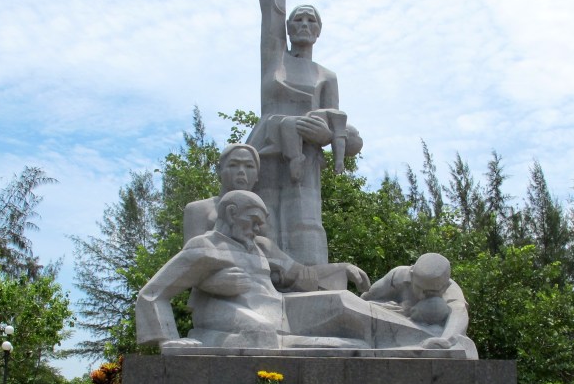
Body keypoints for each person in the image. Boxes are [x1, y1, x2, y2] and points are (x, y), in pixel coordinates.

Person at [136, 192, 454, 352]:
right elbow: (153, 293)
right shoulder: (204, 247)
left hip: (282, 308)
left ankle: (431, 340)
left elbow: (301, 275)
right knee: (261, 335)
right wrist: (169, 340)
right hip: (237, 316)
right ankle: (326, 345)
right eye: (254, 219)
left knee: (343, 300)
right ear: (231, 213)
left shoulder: (258, 248)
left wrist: (340, 269)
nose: (260, 228)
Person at [246, 0, 363, 266]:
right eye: (298, 20)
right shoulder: (274, 60)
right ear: (289, 27)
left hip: (305, 160)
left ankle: (310, 281)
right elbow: (271, 14)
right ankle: (264, 278)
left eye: (311, 21)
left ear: (319, 31)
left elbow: (334, 124)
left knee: (304, 221)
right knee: (264, 219)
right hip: (268, 149)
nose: (304, 25)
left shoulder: (326, 76)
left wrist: (324, 136)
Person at [183, 143, 367, 292]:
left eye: (249, 166)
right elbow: (189, 265)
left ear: (257, 176)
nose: (241, 171)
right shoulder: (198, 209)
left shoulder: (262, 219)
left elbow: (292, 269)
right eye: (233, 164)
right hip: (217, 300)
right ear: (219, 170)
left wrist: (341, 269)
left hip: (263, 296)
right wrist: (216, 282)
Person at [362, 253, 474, 352]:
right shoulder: (398, 276)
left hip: (424, 333)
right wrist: (379, 306)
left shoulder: (451, 288)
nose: (421, 295)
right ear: (411, 274)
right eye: (417, 287)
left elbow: (459, 311)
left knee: (439, 306)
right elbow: (364, 299)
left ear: (445, 286)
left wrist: (446, 340)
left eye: (430, 292)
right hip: (381, 323)